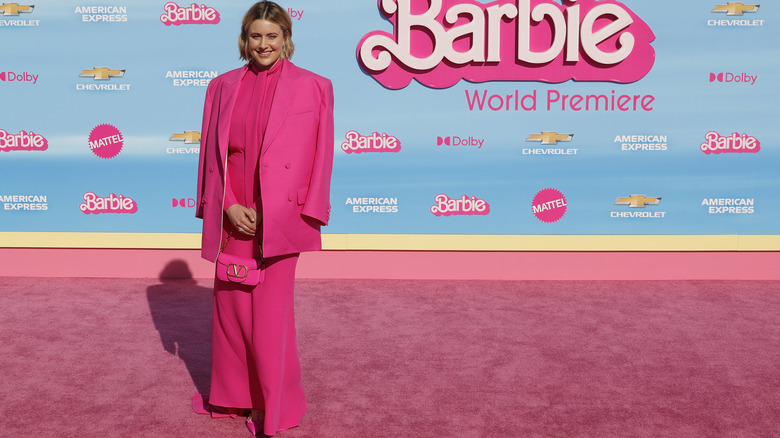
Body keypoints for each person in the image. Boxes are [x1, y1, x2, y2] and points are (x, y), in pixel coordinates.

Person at [194, 2, 334, 436]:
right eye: (256, 36)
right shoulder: (221, 87)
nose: (263, 44)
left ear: (286, 38)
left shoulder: (315, 86)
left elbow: (322, 155)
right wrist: (225, 206)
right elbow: (211, 157)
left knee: (270, 319)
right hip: (232, 212)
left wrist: (309, 213)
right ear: (244, 40)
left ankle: (273, 409)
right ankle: (235, 399)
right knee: (231, 310)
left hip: (282, 217)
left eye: (272, 36)